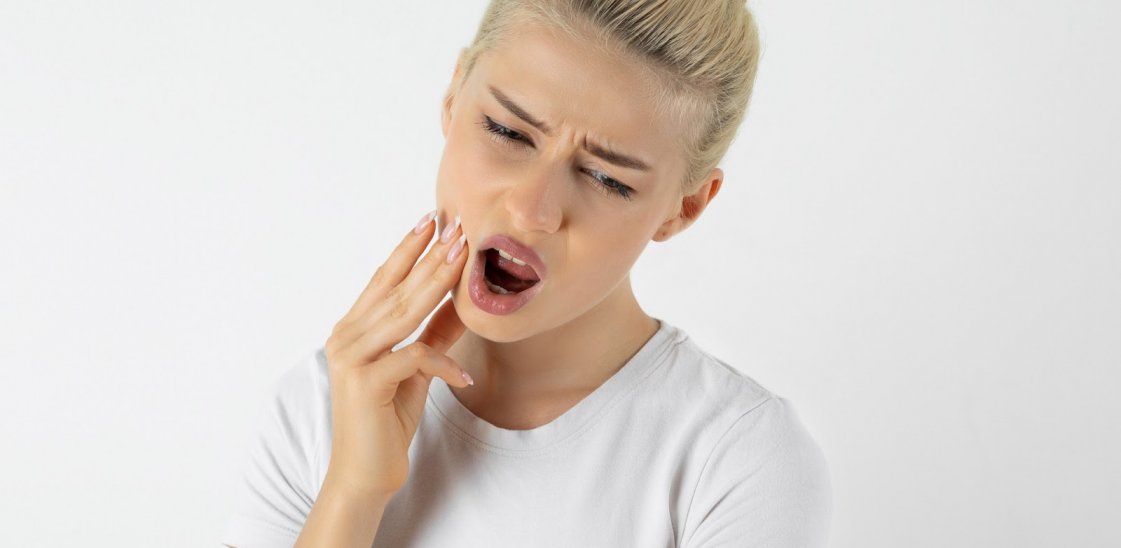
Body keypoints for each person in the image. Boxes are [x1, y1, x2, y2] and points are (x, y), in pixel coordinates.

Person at [221, 1, 831, 546]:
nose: (531, 210)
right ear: (455, 94)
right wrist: (353, 493)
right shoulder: (318, 410)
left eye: (608, 178)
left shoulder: (735, 459)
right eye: (507, 131)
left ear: (685, 206)